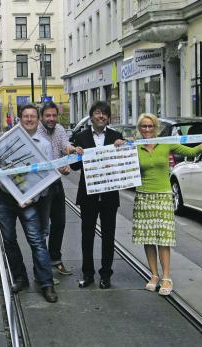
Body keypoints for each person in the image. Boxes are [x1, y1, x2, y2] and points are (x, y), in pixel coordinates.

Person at [118, 113, 202, 296]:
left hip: (163, 196)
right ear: (139, 129)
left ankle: (166, 276)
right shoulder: (134, 147)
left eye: (150, 126)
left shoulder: (166, 143)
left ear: (156, 127)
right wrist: (118, 147)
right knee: (148, 238)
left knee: (163, 239)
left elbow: (192, 152)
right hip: (143, 196)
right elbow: (119, 164)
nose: (147, 130)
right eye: (144, 126)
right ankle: (154, 275)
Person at [0, 105, 58, 302]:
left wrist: (32, 198)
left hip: (29, 201)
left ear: (38, 120)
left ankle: (47, 283)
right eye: (25, 116)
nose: (29, 120)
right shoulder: (6, 142)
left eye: (33, 117)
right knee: (8, 240)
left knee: (36, 240)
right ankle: (20, 278)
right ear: (19, 119)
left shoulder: (43, 144)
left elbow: (47, 177)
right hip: (5, 197)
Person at [70, 101, 123, 289]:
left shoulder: (117, 136)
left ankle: (106, 274)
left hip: (109, 194)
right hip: (88, 195)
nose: (101, 116)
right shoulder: (81, 136)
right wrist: (75, 153)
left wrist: (123, 147)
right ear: (91, 116)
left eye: (104, 114)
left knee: (109, 235)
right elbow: (75, 166)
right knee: (87, 236)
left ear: (108, 118)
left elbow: (124, 163)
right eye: (97, 113)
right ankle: (87, 273)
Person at [36, 102, 78, 277]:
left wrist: (69, 151)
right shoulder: (36, 131)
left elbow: (64, 145)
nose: (51, 119)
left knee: (59, 222)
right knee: (42, 227)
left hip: (56, 183)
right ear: (41, 117)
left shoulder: (59, 129)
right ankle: (43, 264)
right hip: (40, 185)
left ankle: (55, 258)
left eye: (54, 116)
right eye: (48, 116)